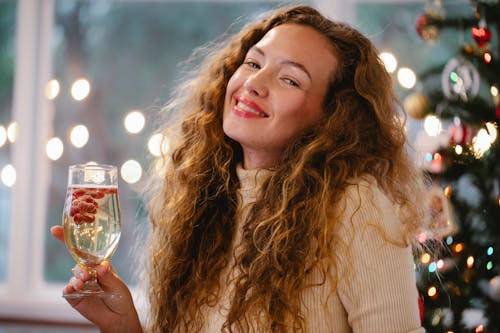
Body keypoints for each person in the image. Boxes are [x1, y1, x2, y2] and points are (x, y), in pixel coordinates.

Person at [51, 4, 428, 332]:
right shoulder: (202, 199)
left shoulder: (356, 206)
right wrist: (124, 326)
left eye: (290, 79)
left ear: (332, 118)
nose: (254, 83)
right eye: (253, 62)